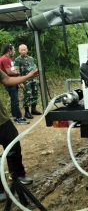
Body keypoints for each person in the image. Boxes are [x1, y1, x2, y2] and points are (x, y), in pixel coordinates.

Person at [0, 69, 37, 202]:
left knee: (14, 146)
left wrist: (28, 76)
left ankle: (18, 176)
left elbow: (8, 80)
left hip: (2, 120)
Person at [0, 44, 29, 125]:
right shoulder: (5, 59)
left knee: (15, 100)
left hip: (12, 81)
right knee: (15, 100)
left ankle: (18, 116)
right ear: (9, 50)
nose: (14, 51)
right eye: (13, 49)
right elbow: (9, 71)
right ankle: (17, 118)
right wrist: (17, 72)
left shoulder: (8, 58)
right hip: (10, 82)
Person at [14, 44, 42, 119]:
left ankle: (33, 109)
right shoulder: (17, 60)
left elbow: (35, 69)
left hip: (34, 80)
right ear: (19, 51)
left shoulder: (31, 58)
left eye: (24, 49)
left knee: (35, 94)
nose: (23, 51)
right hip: (25, 81)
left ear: (27, 50)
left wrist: (38, 78)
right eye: (22, 50)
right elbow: (16, 72)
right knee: (27, 95)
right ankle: (27, 112)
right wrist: (20, 82)